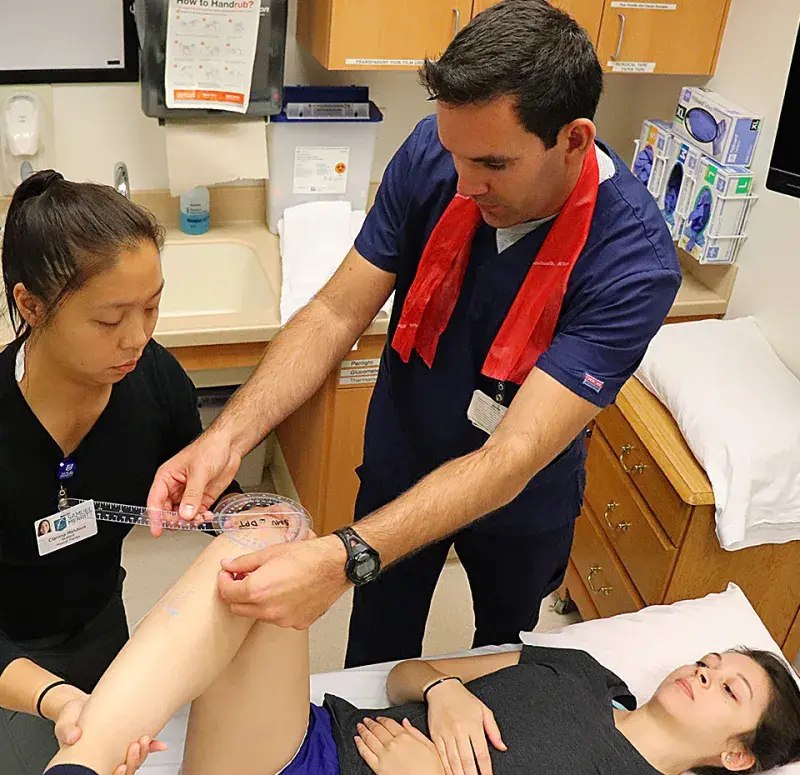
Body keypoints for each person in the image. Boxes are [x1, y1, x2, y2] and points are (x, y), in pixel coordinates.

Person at [148, 0, 683, 668]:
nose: (465, 183)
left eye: (492, 163)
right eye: (455, 153)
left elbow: (512, 455)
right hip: (402, 462)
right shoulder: (436, 154)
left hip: (519, 498)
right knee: (377, 645)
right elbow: (335, 313)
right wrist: (226, 437)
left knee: (503, 660)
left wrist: (342, 555)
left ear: (573, 140)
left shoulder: (632, 263)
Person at [39, 522, 800, 775]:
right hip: (310, 749)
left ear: (737, 754)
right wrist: (445, 690)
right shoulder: (579, 670)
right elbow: (406, 674)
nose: (702, 674)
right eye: (710, 663)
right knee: (262, 545)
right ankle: (83, 762)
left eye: (728, 689)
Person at [0, 170, 238, 774]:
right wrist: (54, 697)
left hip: (104, 617)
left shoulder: (153, 379)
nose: (138, 339)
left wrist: (250, 519)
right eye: (110, 321)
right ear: (31, 305)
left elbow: (208, 486)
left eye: (152, 307)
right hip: (11, 658)